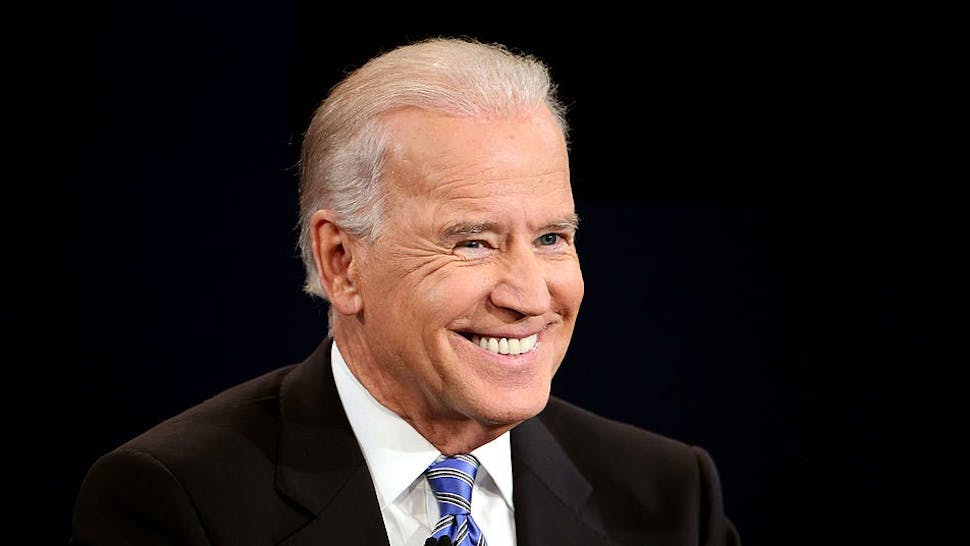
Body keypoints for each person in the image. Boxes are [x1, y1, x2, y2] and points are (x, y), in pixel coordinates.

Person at [70, 37, 740, 546]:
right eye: (472, 242)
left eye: (550, 238)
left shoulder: (669, 499)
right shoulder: (177, 501)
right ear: (342, 263)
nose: (530, 296)